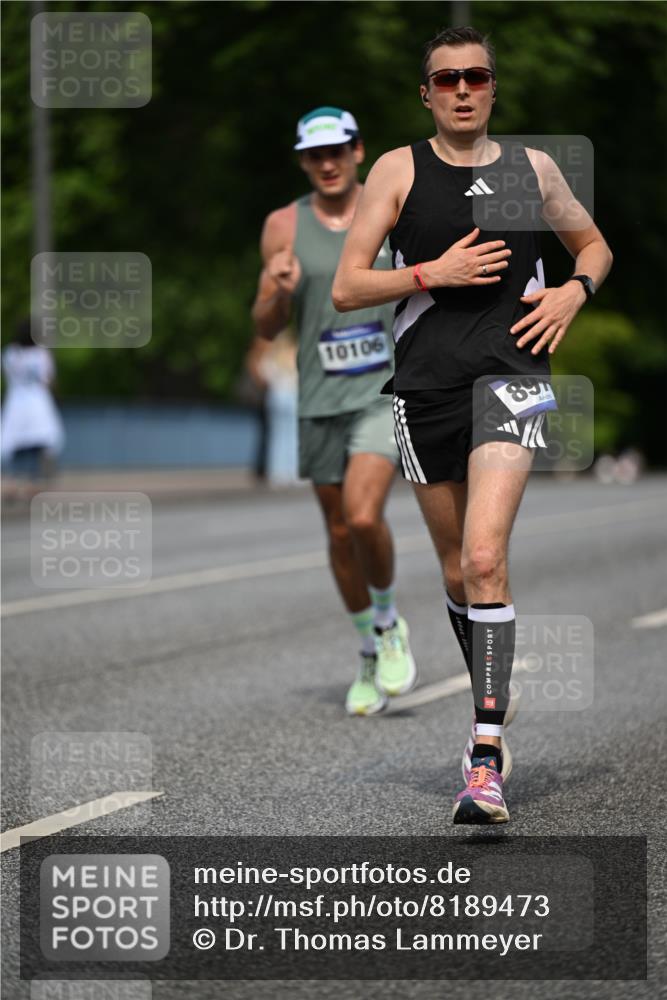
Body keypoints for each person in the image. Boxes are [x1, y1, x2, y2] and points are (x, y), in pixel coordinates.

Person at [332, 28, 612, 822]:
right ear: (426, 93)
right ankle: (495, 676)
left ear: (493, 88)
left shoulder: (532, 171)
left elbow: (592, 246)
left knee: (486, 556)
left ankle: (483, 754)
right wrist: (430, 273)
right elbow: (349, 288)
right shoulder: (396, 169)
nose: (461, 88)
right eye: (445, 78)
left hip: (513, 377)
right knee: (459, 572)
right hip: (423, 388)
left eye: (475, 76)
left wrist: (572, 293)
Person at [252, 106, 416, 716]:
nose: (327, 162)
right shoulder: (282, 225)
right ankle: (369, 650)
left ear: (358, 152)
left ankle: (390, 621)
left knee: (364, 515)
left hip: (381, 391)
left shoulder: (393, 208)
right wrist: (277, 289)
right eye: (314, 154)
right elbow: (265, 324)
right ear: (303, 160)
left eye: (338, 150)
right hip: (317, 398)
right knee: (339, 532)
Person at [1, 319, 64, 497]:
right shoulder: (41, 354)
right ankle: (34, 482)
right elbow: (49, 380)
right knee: (40, 442)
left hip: (16, 401)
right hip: (38, 401)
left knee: (15, 443)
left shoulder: (10, 354)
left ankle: (14, 480)